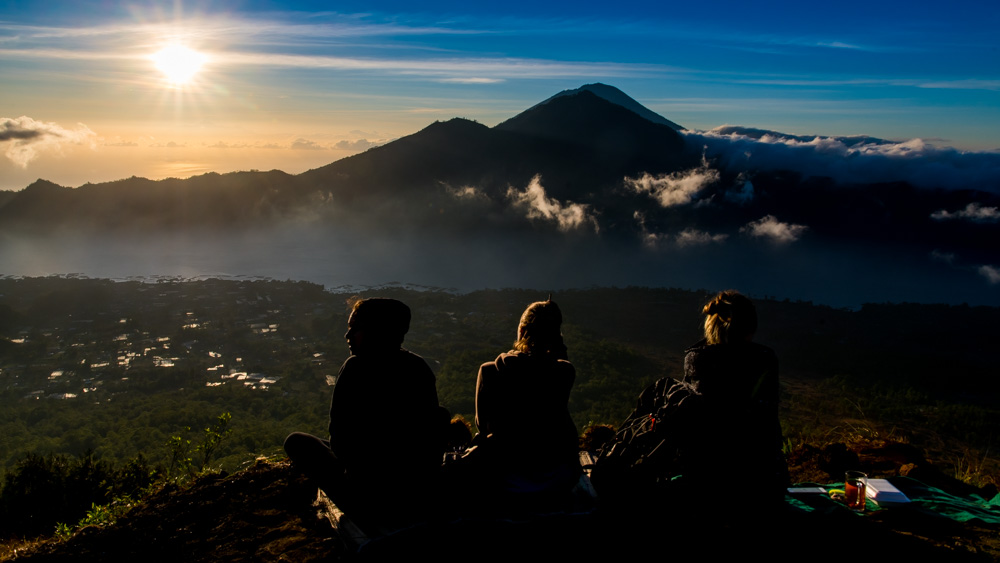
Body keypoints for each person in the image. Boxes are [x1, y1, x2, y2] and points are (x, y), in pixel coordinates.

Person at [283, 297, 446, 522]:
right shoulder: (419, 368)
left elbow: (341, 444)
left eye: (354, 329)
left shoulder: (356, 369)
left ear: (376, 331)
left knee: (297, 441)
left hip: (368, 500)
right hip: (416, 495)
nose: (347, 336)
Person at [470, 299, 581, 512]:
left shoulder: (489, 371)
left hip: (506, 477)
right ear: (557, 336)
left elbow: (483, 427)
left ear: (521, 330)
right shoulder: (565, 372)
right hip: (556, 477)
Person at [679, 290, 789, 504]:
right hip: (760, 477)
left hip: (706, 477)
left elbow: (691, 422)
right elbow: (768, 422)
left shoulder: (697, 358)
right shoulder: (764, 359)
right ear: (750, 326)